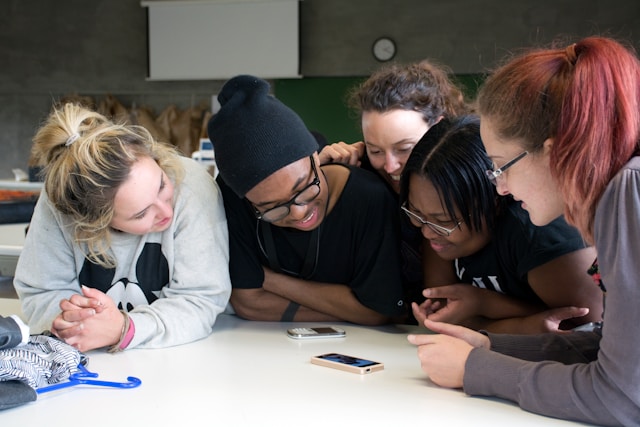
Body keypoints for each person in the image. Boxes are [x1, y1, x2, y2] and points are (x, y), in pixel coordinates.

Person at [408, 36, 640, 425]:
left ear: (553, 152)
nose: (500, 189)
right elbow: (616, 352)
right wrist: (490, 345)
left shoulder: (627, 191)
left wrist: (476, 370)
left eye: (501, 166)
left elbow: (620, 397)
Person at [13, 103, 232, 352]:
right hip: (89, 361)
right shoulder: (62, 203)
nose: (166, 212)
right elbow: (41, 293)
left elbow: (201, 299)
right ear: (94, 223)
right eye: (141, 213)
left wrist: (124, 329)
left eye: (161, 185)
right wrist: (78, 324)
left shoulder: (191, 183)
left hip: (181, 356)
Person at [207, 75, 405, 325]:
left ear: (316, 155)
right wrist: (352, 308)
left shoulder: (368, 198)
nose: (299, 213)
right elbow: (248, 304)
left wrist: (269, 280)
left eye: (304, 188)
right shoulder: (233, 200)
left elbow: (378, 311)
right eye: (273, 208)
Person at [400, 115, 601, 334]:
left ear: (495, 200)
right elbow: (445, 316)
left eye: (444, 220)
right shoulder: (438, 231)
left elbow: (594, 332)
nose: (428, 232)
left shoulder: (541, 237)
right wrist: (511, 324)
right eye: (416, 213)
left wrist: (485, 306)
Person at [322, 60, 473, 318]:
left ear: (441, 128)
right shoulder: (362, 176)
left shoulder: (477, 177)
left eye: (405, 148)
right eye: (376, 150)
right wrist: (319, 172)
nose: (391, 166)